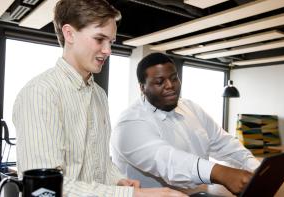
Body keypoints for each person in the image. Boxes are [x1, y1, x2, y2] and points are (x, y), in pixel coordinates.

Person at [12, 0, 186, 196]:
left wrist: (117, 179)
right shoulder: (40, 93)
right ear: (69, 34)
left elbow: (100, 162)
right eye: (99, 39)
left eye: (110, 42)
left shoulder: (99, 95)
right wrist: (134, 195)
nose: (108, 51)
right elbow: (44, 190)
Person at [110, 52, 261, 194]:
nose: (170, 85)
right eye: (159, 82)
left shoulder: (191, 108)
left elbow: (223, 142)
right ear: (142, 88)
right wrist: (221, 173)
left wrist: (256, 169)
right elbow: (169, 161)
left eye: (174, 78)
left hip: (195, 193)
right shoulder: (129, 124)